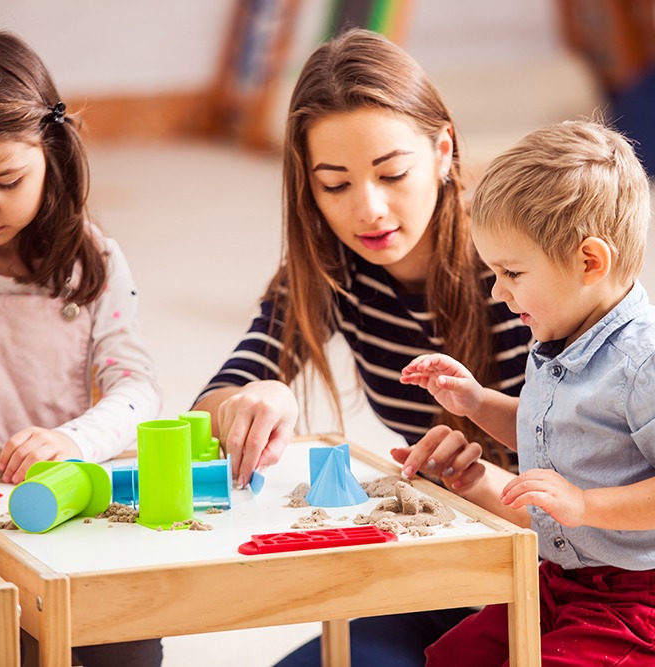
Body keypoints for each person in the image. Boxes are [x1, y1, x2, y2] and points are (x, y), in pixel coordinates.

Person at [191, 28, 533, 666]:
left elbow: (599, 493)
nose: (368, 210)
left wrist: (481, 482)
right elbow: (217, 395)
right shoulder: (335, 266)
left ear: (443, 150)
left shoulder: (520, 264)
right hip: (437, 575)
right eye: (335, 184)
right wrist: (244, 400)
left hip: (563, 591)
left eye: (392, 173)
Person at [400, 119, 655, 665]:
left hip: (649, 602)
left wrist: (583, 504)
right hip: (564, 581)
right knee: (453, 656)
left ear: (590, 262)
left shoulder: (653, 361)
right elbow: (553, 430)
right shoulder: (563, 337)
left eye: (512, 271)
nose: (498, 290)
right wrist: (475, 402)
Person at [0, 30, 163, 666]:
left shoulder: (94, 261)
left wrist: (76, 440)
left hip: (64, 502)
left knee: (130, 644)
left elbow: (136, 389)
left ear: (52, 153)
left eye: (7, 179)